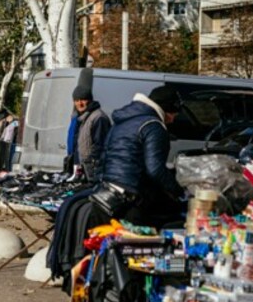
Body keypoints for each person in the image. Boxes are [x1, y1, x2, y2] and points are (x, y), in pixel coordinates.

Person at [96, 85, 185, 226]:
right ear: (167, 109)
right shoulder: (154, 126)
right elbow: (155, 169)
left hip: (107, 193)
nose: (173, 120)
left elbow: (105, 154)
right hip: (132, 199)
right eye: (175, 114)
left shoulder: (122, 121)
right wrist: (179, 191)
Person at [66, 84, 111, 181]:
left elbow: (101, 147)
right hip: (78, 170)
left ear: (90, 100)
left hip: (91, 172)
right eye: (76, 100)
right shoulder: (77, 117)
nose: (80, 103)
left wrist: (90, 166)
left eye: (83, 100)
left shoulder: (98, 117)